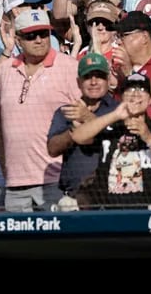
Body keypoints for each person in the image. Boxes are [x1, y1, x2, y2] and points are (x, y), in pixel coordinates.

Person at [0, 9, 82, 212]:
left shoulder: (69, 66)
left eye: (43, 33)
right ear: (18, 39)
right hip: (15, 183)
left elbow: (85, 118)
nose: (39, 40)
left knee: (57, 242)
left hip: (56, 179)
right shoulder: (5, 70)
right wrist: (5, 167)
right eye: (31, 35)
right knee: (17, 242)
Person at [72, 73, 151, 209]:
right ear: (121, 97)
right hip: (111, 213)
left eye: (142, 90)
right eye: (129, 90)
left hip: (149, 213)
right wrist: (116, 115)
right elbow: (78, 136)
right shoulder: (111, 127)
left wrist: (148, 137)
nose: (135, 94)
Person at [47, 52, 118, 198]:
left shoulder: (119, 110)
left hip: (112, 196)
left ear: (108, 79)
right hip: (73, 195)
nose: (93, 82)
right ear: (79, 82)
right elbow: (52, 149)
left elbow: (118, 139)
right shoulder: (67, 111)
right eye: (87, 77)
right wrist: (73, 131)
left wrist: (87, 118)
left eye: (99, 76)